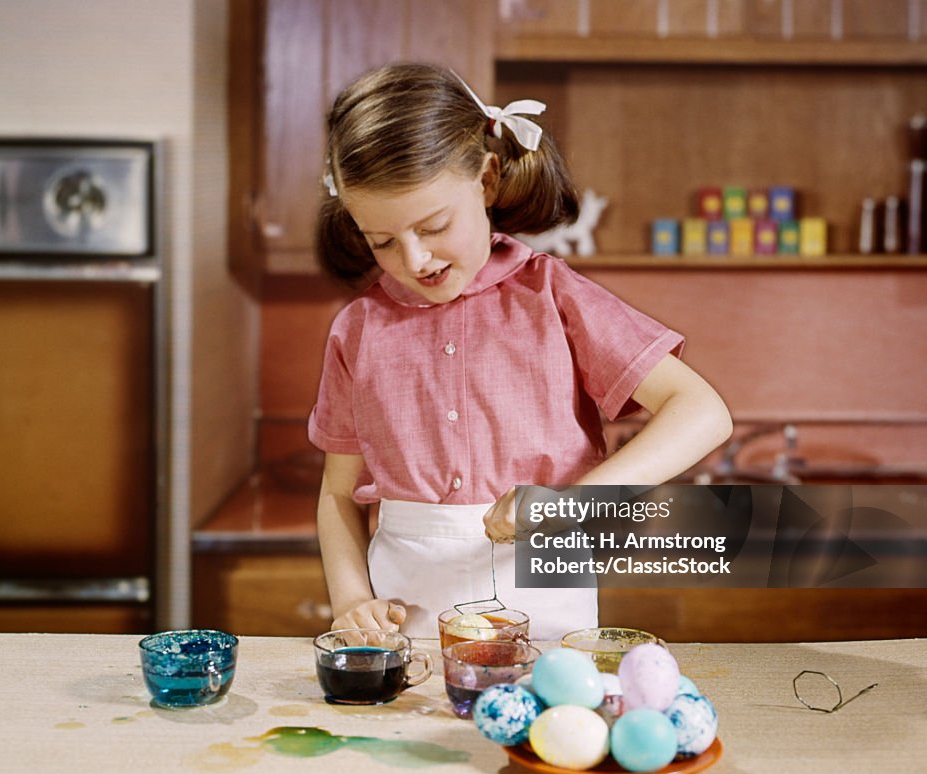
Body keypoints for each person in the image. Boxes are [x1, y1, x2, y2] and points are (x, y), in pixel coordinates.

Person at [308, 63, 733, 640]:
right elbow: (337, 494)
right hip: (404, 615)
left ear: (486, 181)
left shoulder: (553, 296)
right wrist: (352, 598)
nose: (414, 261)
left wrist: (570, 505)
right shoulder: (357, 330)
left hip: (545, 602)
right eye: (381, 241)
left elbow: (702, 412)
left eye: (433, 226)